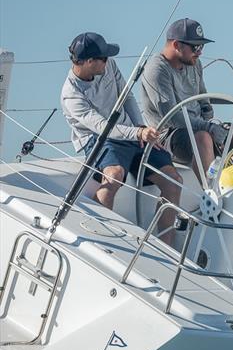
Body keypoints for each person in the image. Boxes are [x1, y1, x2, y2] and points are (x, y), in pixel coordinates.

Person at [140, 18, 233, 216]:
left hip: (201, 127)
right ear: (176, 45)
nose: (200, 52)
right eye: (196, 47)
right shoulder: (157, 69)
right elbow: (173, 116)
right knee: (203, 137)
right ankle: (216, 200)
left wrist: (211, 121)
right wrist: (209, 128)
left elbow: (204, 99)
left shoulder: (194, 63)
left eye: (201, 47)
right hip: (169, 135)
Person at [61, 32, 181, 245]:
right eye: (104, 58)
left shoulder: (110, 67)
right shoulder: (71, 95)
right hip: (99, 139)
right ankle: (101, 241)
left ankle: (167, 247)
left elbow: (126, 97)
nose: (108, 61)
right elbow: (101, 127)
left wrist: (139, 127)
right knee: (114, 175)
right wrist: (137, 133)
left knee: (174, 182)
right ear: (89, 62)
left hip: (131, 132)